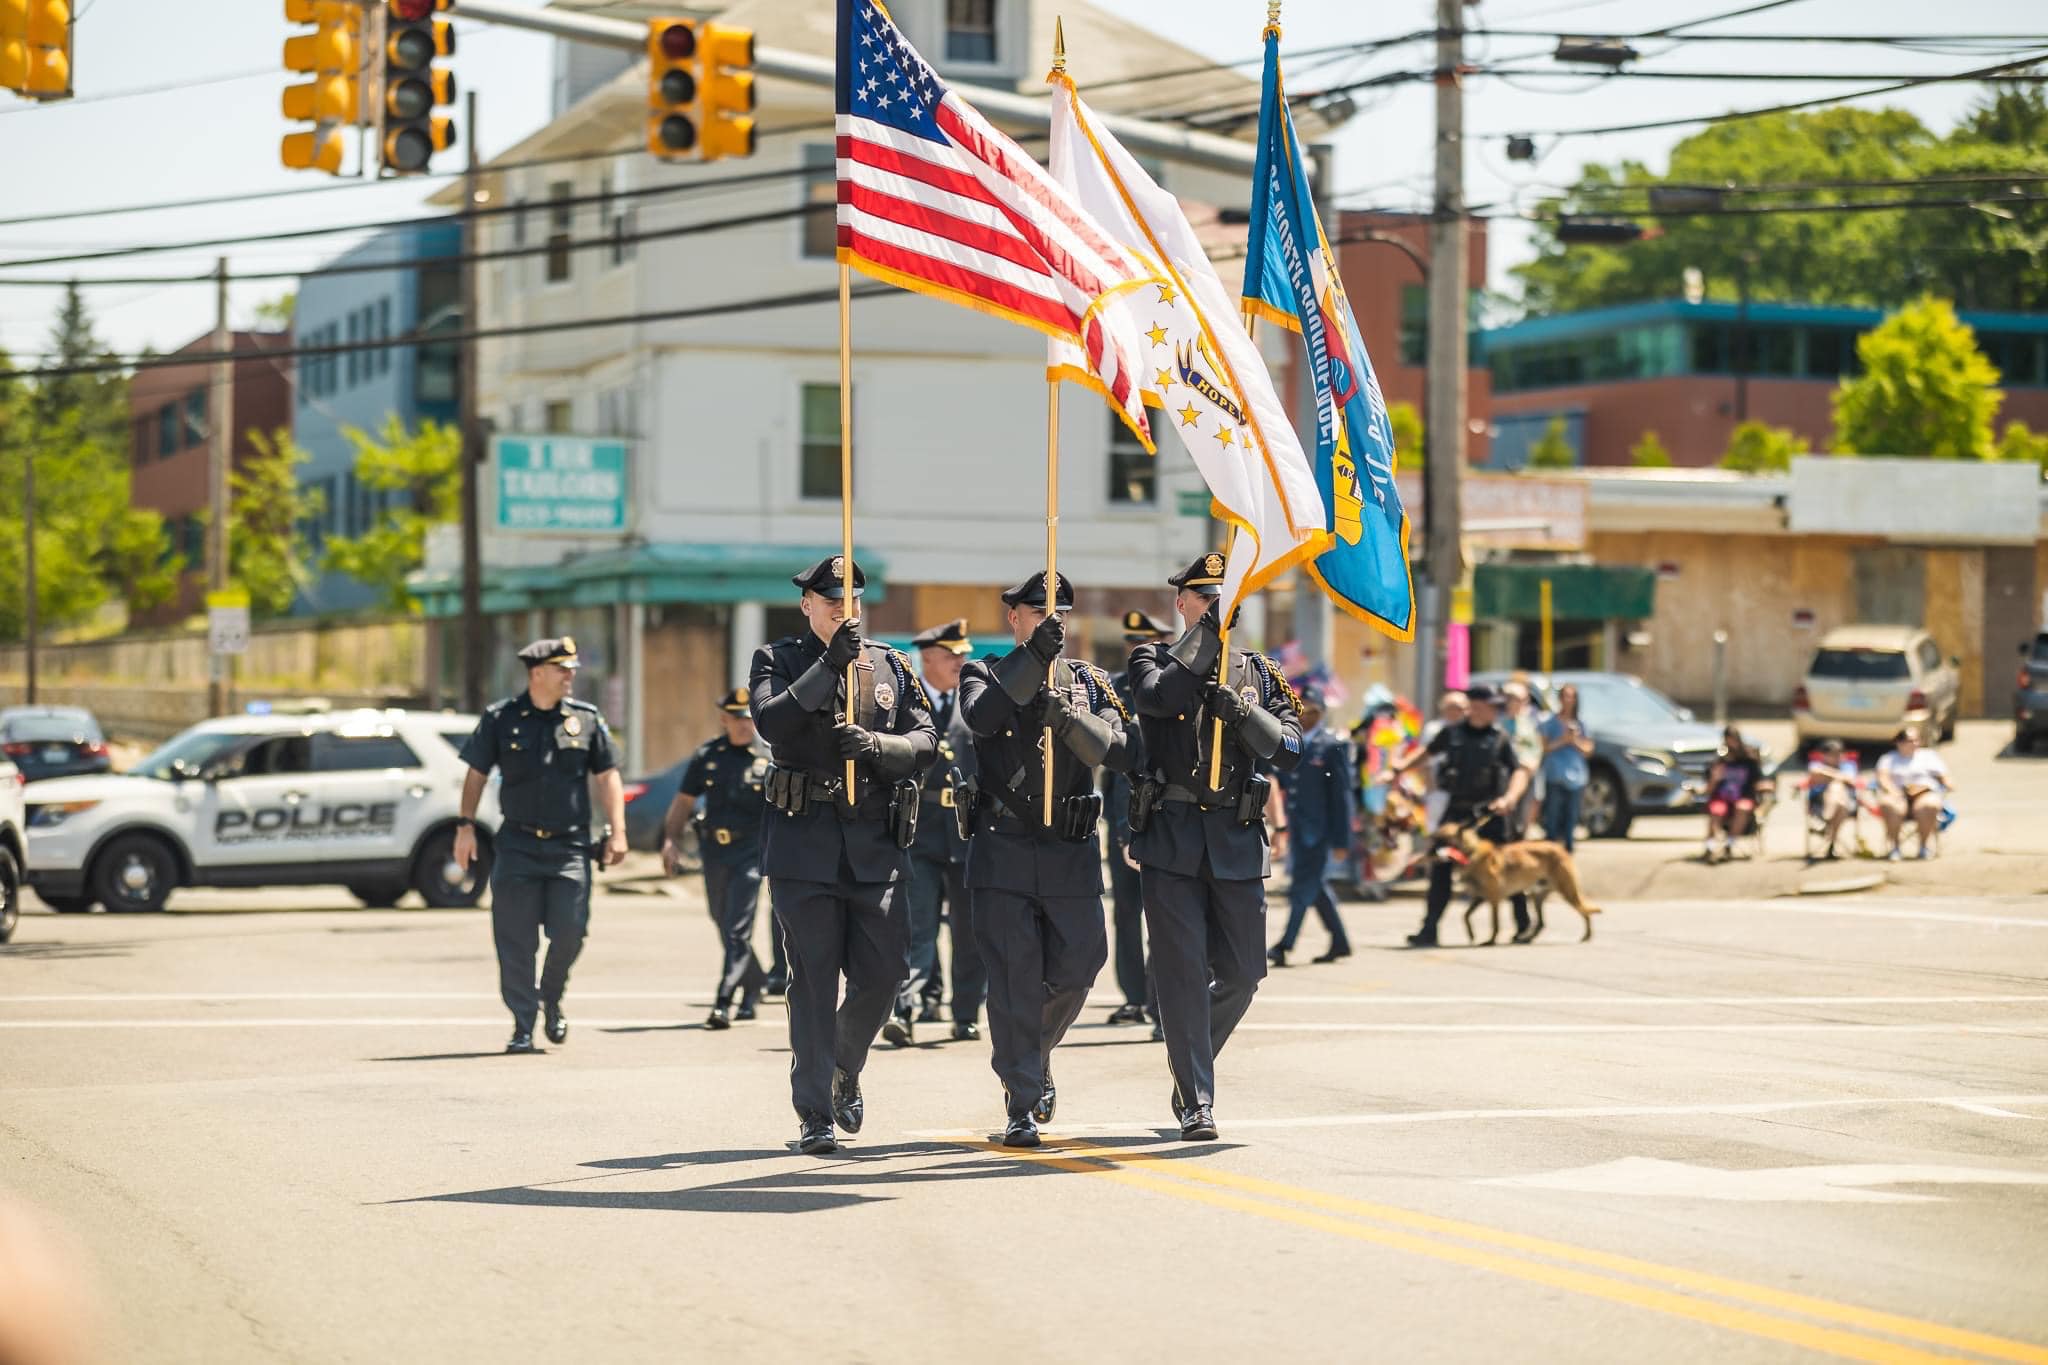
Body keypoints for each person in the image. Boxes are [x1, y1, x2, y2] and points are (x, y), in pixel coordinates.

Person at [749, 556, 938, 1155]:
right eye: (830, 598)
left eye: (851, 598)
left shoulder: (889, 664)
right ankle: (814, 1113)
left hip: (874, 845)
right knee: (812, 982)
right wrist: (829, 663)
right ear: (807, 603)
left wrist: (881, 745)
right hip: (803, 845)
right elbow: (771, 723)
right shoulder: (777, 660)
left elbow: (926, 739)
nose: (842, 607)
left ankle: (842, 1066)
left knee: (884, 977)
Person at [1128, 552, 1303, 1142]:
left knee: (1245, 972)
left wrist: (1247, 712)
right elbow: (1158, 699)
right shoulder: (1153, 657)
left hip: (1235, 839)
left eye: (1222, 599)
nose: (1213, 607)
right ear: (1182, 603)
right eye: (1203, 599)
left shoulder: (1259, 670)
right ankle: (1196, 1096)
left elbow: (1291, 745)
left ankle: (1191, 1058)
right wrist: (1208, 638)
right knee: (1179, 976)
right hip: (1172, 839)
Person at [957, 569, 1132, 1147]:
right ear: (1015, 617)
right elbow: (981, 719)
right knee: (1012, 981)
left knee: (1082, 963)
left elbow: (1117, 749)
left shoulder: (1090, 681)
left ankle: (1033, 1051)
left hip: (1069, 852)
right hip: (1004, 849)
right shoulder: (982, 671)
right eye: (1038, 613)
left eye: (1059, 615)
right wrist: (1034, 656)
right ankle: (1021, 1099)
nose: (1051, 622)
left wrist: (1068, 718)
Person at [454, 636, 628, 1053]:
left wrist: (618, 830)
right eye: (562, 669)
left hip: (570, 847)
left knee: (570, 932)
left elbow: (606, 776)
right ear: (537, 673)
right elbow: (476, 774)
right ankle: (523, 1023)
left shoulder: (585, 719)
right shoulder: (501, 718)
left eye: (571, 669)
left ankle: (550, 995)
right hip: (516, 845)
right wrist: (464, 827)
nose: (571, 676)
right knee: (514, 939)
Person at [889, 618, 986, 1044]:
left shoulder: (975, 704)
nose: (961, 662)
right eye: (952, 656)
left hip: (966, 833)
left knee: (970, 932)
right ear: (928, 658)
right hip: (922, 833)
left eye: (964, 654)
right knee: (917, 928)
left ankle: (966, 1012)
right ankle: (905, 1010)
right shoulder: (908, 706)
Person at [1383, 683, 1529, 947]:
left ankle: (1523, 924)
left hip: (1491, 813)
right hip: (1458, 812)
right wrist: (1400, 768)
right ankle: (1429, 929)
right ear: (1476, 707)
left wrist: (1510, 798)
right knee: (1440, 867)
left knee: (1508, 866)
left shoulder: (1500, 737)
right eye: (1490, 706)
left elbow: (1519, 771)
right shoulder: (1451, 734)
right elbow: (1426, 754)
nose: (1495, 711)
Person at [663, 687, 773, 1030]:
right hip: (714, 851)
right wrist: (671, 840)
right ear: (724, 719)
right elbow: (683, 802)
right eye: (738, 718)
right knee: (722, 921)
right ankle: (753, 983)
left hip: (751, 853)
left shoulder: (768, 757)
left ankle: (724, 999)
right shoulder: (708, 756)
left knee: (738, 927)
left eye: (749, 718)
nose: (745, 725)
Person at [1104, 609, 1171, 1026]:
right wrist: (1123, 828)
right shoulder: (1112, 689)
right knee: (1126, 913)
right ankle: (1133, 996)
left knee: (1164, 915)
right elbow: (1113, 769)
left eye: (1145, 642)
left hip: (1163, 818)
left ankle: (1158, 998)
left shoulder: (1166, 686)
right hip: (1122, 816)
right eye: (1132, 643)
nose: (1137, 649)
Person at [1270, 684, 1353, 967]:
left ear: (1322, 712)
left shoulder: (1331, 745)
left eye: (1312, 710)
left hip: (1320, 831)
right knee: (1314, 887)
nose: (1305, 716)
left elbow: (1341, 796)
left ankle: (1285, 945)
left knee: (1301, 889)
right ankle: (1340, 941)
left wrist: (1342, 840)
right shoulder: (1294, 742)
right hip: (1298, 827)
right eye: (1300, 709)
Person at [1875, 728, 1954, 860]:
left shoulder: (1929, 756)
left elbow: (1945, 777)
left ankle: (1924, 847)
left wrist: (1947, 783)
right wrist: (1894, 791)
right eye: (1910, 741)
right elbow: (1883, 778)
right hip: (1898, 793)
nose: (1914, 743)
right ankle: (1894, 848)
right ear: (1899, 743)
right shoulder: (1888, 759)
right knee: (1890, 805)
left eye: (1916, 740)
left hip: (1924, 793)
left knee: (1929, 805)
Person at [1537, 682, 1593, 850]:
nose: (1568, 700)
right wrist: (1563, 740)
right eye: (1565, 696)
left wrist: (1574, 739)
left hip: (1576, 775)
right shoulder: (1550, 722)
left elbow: (1588, 749)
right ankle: (1550, 850)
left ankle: (1568, 849)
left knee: (1572, 815)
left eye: (1571, 696)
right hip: (1555, 773)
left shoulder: (1581, 724)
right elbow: (1544, 747)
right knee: (1552, 815)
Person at [1703, 727, 1764, 862]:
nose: (1731, 745)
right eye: (1728, 741)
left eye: (1734, 741)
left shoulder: (1749, 761)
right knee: (1716, 810)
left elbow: (1759, 782)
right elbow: (1708, 789)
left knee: (1742, 807)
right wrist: (1714, 778)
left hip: (1742, 797)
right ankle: (1710, 847)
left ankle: (1728, 846)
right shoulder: (1719, 760)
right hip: (1722, 797)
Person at [1419, 690, 1468, 833]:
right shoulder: (1434, 729)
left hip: (1463, 789)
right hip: (1439, 786)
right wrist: (1430, 785)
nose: (1455, 712)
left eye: (1459, 708)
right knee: (1435, 826)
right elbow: (1425, 759)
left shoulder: (1470, 730)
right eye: (1451, 707)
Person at [1804, 739, 1858, 860]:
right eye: (1833, 754)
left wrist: (1828, 775)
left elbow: (1852, 780)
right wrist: (1839, 776)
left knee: (1838, 792)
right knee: (1836, 789)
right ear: (1823, 755)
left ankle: (1825, 823)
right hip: (1820, 802)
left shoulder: (1849, 765)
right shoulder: (1816, 765)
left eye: (1840, 753)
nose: (1837, 757)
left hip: (1844, 803)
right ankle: (1831, 839)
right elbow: (1814, 772)